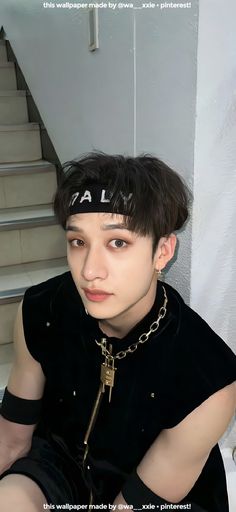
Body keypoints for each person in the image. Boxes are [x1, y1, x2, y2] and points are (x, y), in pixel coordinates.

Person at [0, 152, 235, 512]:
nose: (90, 271)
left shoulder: (208, 379)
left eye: (118, 243)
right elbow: (12, 441)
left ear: (163, 252)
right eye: (78, 242)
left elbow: (132, 506)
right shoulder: (41, 310)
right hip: (60, 464)